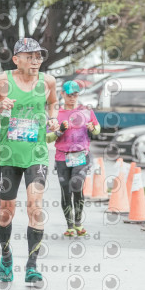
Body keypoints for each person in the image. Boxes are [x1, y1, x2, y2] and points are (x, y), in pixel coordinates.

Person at [0, 37, 59, 284]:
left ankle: (32, 266)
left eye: (38, 56)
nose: (35, 61)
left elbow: (53, 103)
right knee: (6, 212)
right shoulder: (1, 81)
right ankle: (6, 256)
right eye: (30, 56)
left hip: (36, 154)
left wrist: (53, 118)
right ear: (16, 59)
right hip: (8, 155)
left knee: (35, 206)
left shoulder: (48, 82)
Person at [46, 80, 100, 237]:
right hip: (62, 156)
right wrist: (59, 131)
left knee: (76, 185)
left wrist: (93, 128)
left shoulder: (86, 111)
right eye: (69, 95)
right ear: (62, 94)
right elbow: (47, 138)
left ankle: (78, 222)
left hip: (81, 154)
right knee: (65, 190)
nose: (72, 98)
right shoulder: (56, 114)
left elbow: (97, 129)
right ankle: (70, 226)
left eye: (75, 95)